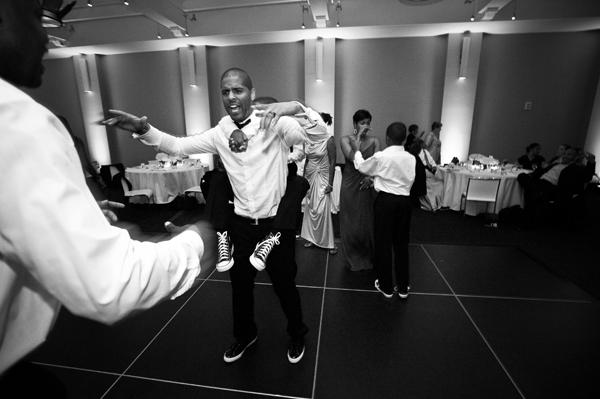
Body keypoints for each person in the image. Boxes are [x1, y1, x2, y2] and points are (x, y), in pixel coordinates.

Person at [0, 0, 215, 383]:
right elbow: (109, 285)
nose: (49, 39)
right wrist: (197, 241)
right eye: (36, 16)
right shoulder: (15, 121)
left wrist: (76, 215)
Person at [102, 68, 328, 364]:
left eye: (238, 90)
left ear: (252, 93)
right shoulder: (219, 132)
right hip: (242, 225)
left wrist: (297, 108)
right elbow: (178, 146)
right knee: (240, 289)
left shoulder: (277, 123)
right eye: (225, 91)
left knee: (284, 286)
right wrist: (144, 129)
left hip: (275, 226)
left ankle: (297, 333)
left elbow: (318, 140)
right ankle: (245, 335)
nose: (231, 96)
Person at [196, 96, 309, 272]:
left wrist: (296, 109)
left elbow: (303, 143)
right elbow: (226, 128)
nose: (256, 119)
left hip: (276, 210)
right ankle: (221, 233)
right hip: (243, 219)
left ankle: (274, 234)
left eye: (261, 114)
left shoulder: (285, 130)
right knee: (214, 178)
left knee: (299, 183)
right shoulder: (237, 132)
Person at [349, 122, 416, 298]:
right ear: (403, 139)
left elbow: (362, 166)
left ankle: (386, 287)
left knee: (383, 243)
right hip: (405, 203)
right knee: (402, 244)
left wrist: (356, 149)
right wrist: (379, 179)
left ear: (387, 138)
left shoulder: (382, 157)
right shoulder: (411, 158)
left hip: (386, 202)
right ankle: (403, 288)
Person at [339, 110, 380, 271]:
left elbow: (377, 163)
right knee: (351, 223)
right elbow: (351, 157)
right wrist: (357, 139)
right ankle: (352, 257)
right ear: (355, 124)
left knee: (366, 222)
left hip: (367, 184)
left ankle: (368, 256)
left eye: (368, 123)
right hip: (350, 184)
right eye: (362, 123)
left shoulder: (375, 141)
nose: (366, 126)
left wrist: (371, 178)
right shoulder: (345, 139)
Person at [517, 147, 596, 224]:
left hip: (553, 188)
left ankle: (525, 220)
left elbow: (587, 177)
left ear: (575, 157)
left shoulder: (576, 168)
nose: (565, 156)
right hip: (540, 184)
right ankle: (538, 192)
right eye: (564, 154)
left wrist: (591, 162)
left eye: (569, 155)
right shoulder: (556, 164)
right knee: (522, 176)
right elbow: (540, 172)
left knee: (530, 193)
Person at [301, 111, 337, 254]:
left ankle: (329, 242)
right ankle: (311, 238)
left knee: (322, 208)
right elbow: (307, 160)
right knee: (310, 207)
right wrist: (304, 178)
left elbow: (333, 161)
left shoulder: (329, 139)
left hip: (323, 175)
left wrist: (330, 183)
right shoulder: (307, 138)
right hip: (310, 174)